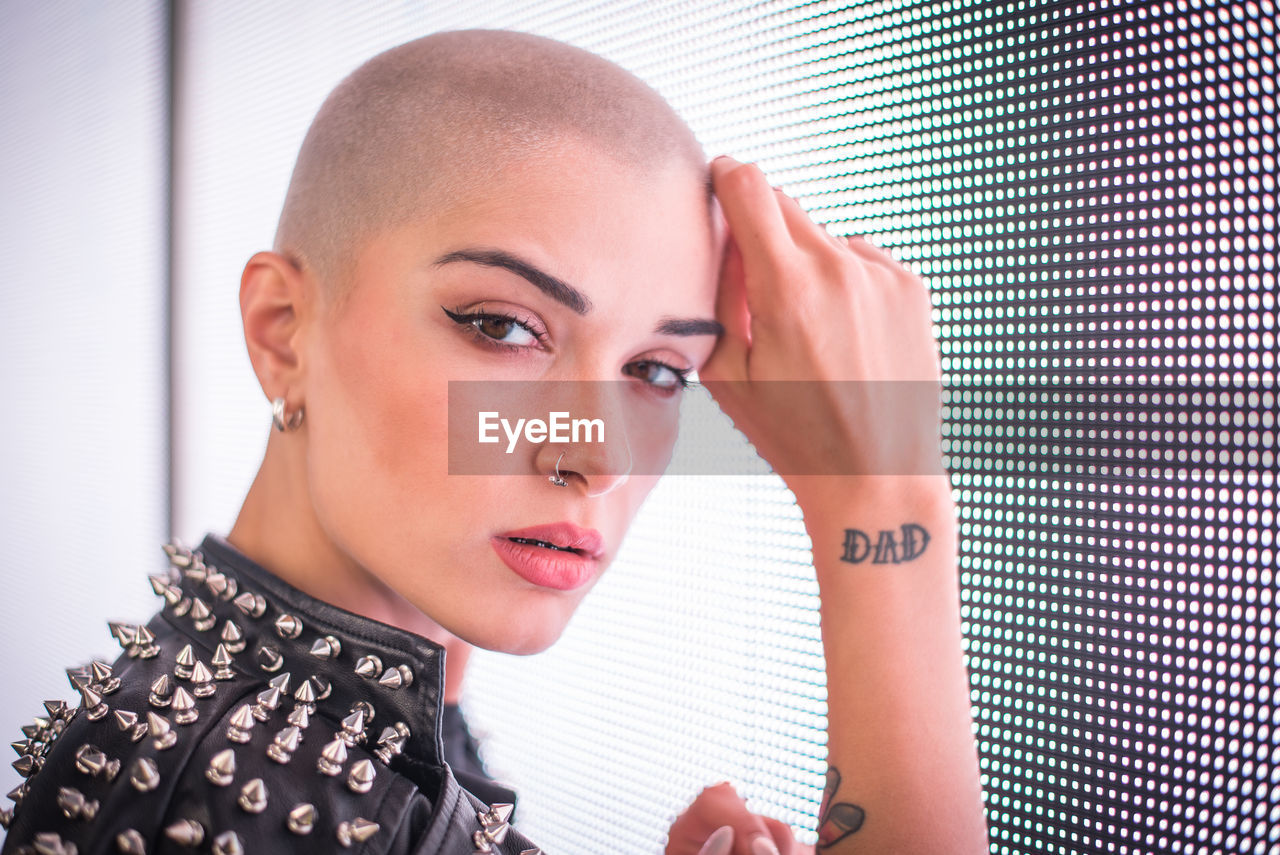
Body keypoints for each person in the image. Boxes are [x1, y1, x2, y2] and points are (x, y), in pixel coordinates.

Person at [1, 28, 987, 855]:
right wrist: (879, 498)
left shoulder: (265, 713)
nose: (594, 457)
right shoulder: (259, 799)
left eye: (656, 372)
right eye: (503, 327)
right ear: (282, 330)